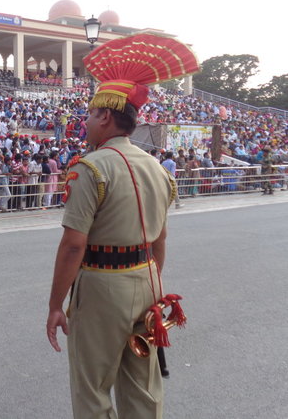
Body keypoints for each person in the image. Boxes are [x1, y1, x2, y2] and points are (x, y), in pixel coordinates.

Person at [46, 34, 196, 419]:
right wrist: (151, 284)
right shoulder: (157, 168)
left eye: (90, 114)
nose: (86, 121)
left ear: (106, 116)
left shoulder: (90, 167)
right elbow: (160, 238)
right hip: (146, 278)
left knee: (92, 387)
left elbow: (73, 246)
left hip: (101, 284)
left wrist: (54, 305)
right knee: (143, 387)